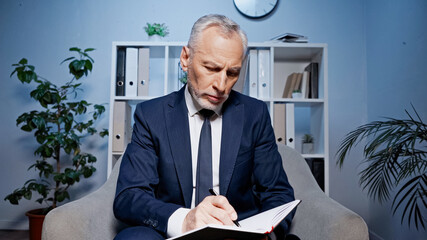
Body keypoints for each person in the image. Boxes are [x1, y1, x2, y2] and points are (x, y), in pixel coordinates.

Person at [113, 14, 295, 240]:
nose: (221, 85)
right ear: (185, 58)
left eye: (232, 73)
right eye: (211, 68)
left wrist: (266, 233)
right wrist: (185, 220)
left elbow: (278, 193)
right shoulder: (150, 116)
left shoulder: (254, 115)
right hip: (172, 231)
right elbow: (130, 196)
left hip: (237, 233)